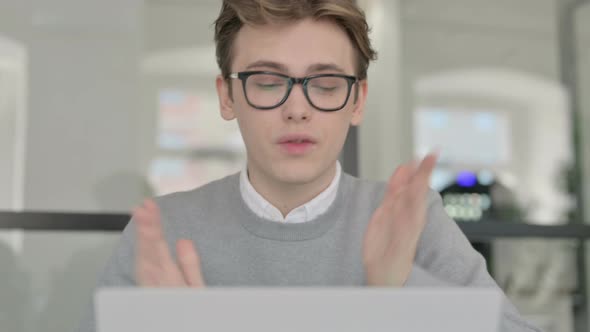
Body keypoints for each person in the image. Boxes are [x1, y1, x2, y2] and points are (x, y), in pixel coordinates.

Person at [76, 1, 540, 331]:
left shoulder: (412, 223)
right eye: (267, 80)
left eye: (324, 83)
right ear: (227, 96)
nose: (297, 109)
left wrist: (402, 294)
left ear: (357, 100)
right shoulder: (164, 231)